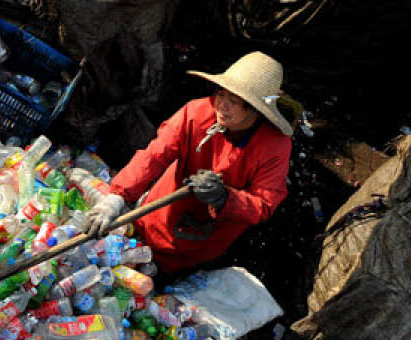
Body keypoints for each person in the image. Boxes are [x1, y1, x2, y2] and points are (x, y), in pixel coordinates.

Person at [83, 51, 294, 273]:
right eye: (221, 95)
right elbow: (154, 154)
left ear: (255, 111)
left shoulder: (274, 147)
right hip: (160, 211)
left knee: (163, 277)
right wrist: (116, 197)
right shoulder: (197, 113)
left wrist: (224, 198)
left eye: (234, 101)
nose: (222, 106)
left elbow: (264, 204)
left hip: (202, 240)